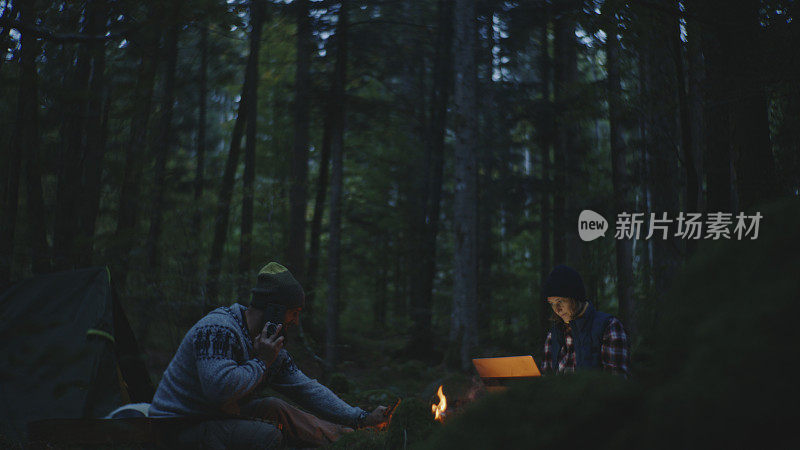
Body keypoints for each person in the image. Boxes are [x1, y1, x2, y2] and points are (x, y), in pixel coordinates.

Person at [150, 262, 389, 448]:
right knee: (267, 436)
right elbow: (218, 390)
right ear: (273, 309)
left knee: (274, 406)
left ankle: (351, 438)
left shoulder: (268, 344)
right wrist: (261, 361)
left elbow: (306, 389)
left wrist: (360, 416)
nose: (295, 321)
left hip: (215, 416)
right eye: (293, 313)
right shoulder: (218, 329)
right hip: (179, 425)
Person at [540, 265, 630, 378]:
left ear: (575, 297)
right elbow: (545, 381)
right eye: (552, 303)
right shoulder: (553, 335)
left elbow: (616, 384)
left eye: (560, 301)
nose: (557, 309)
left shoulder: (609, 327)